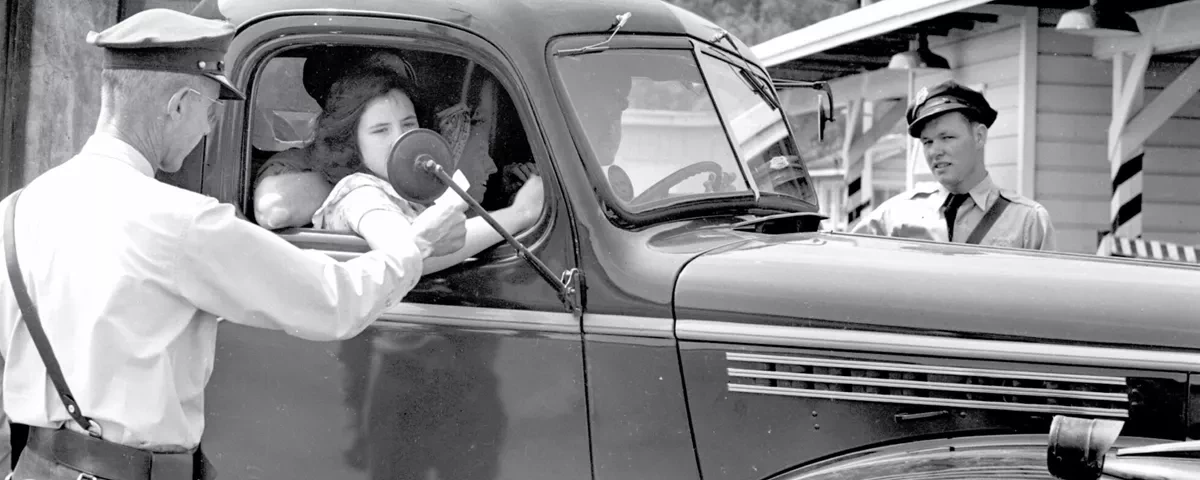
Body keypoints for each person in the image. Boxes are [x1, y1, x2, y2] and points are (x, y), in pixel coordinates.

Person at [0, 9, 468, 480]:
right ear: (178, 104)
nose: (206, 130)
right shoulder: (183, 223)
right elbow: (336, 301)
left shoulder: (16, 211)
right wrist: (414, 246)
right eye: (207, 111)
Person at [254, 57, 544, 275]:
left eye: (408, 124)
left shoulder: (403, 186)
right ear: (351, 144)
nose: (400, 138)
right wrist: (520, 214)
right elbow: (413, 252)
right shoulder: (359, 194)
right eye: (380, 130)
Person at [851, 80, 1057, 251]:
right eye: (927, 142)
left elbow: (1046, 295)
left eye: (947, 137)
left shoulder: (1026, 221)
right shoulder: (895, 216)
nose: (934, 151)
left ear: (979, 137)